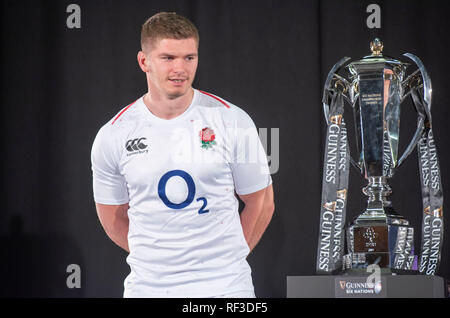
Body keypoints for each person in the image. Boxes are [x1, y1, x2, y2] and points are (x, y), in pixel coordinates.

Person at [91, 12, 274, 298]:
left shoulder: (233, 121)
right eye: (168, 58)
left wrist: (226, 261)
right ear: (144, 62)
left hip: (226, 287)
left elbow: (262, 203)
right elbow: (113, 217)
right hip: (148, 288)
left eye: (189, 57)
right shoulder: (113, 135)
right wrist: (161, 260)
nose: (180, 68)